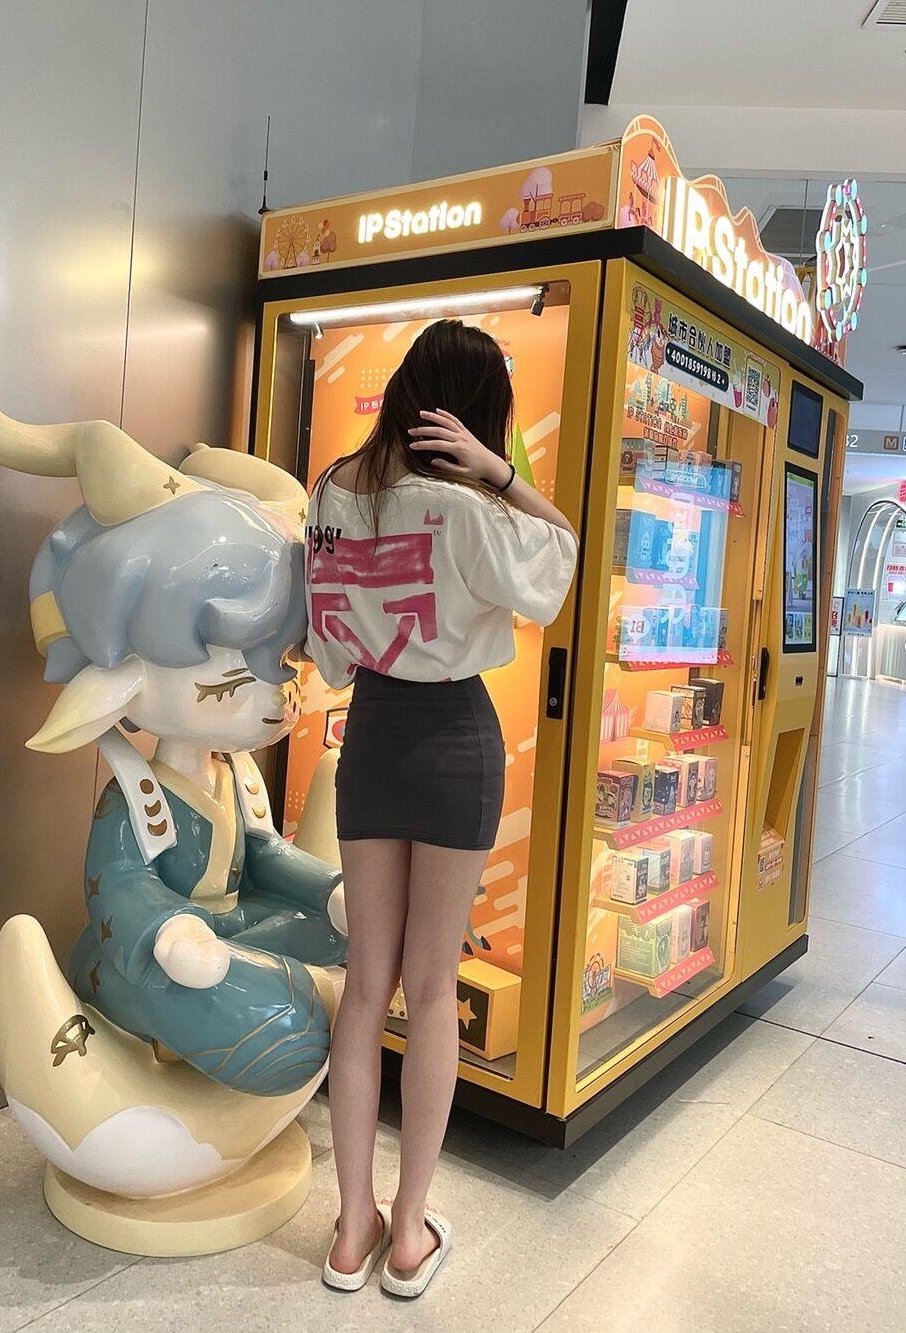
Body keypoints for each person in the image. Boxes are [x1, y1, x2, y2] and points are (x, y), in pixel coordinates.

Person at [304, 318, 578, 1297]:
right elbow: (560, 561)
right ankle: (409, 1233)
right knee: (430, 992)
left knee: (363, 985)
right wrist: (500, 473)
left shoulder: (332, 491)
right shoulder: (469, 508)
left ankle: (351, 1230)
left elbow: (325, 644)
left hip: (370, 737)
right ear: (476, 414)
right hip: (457, 742)